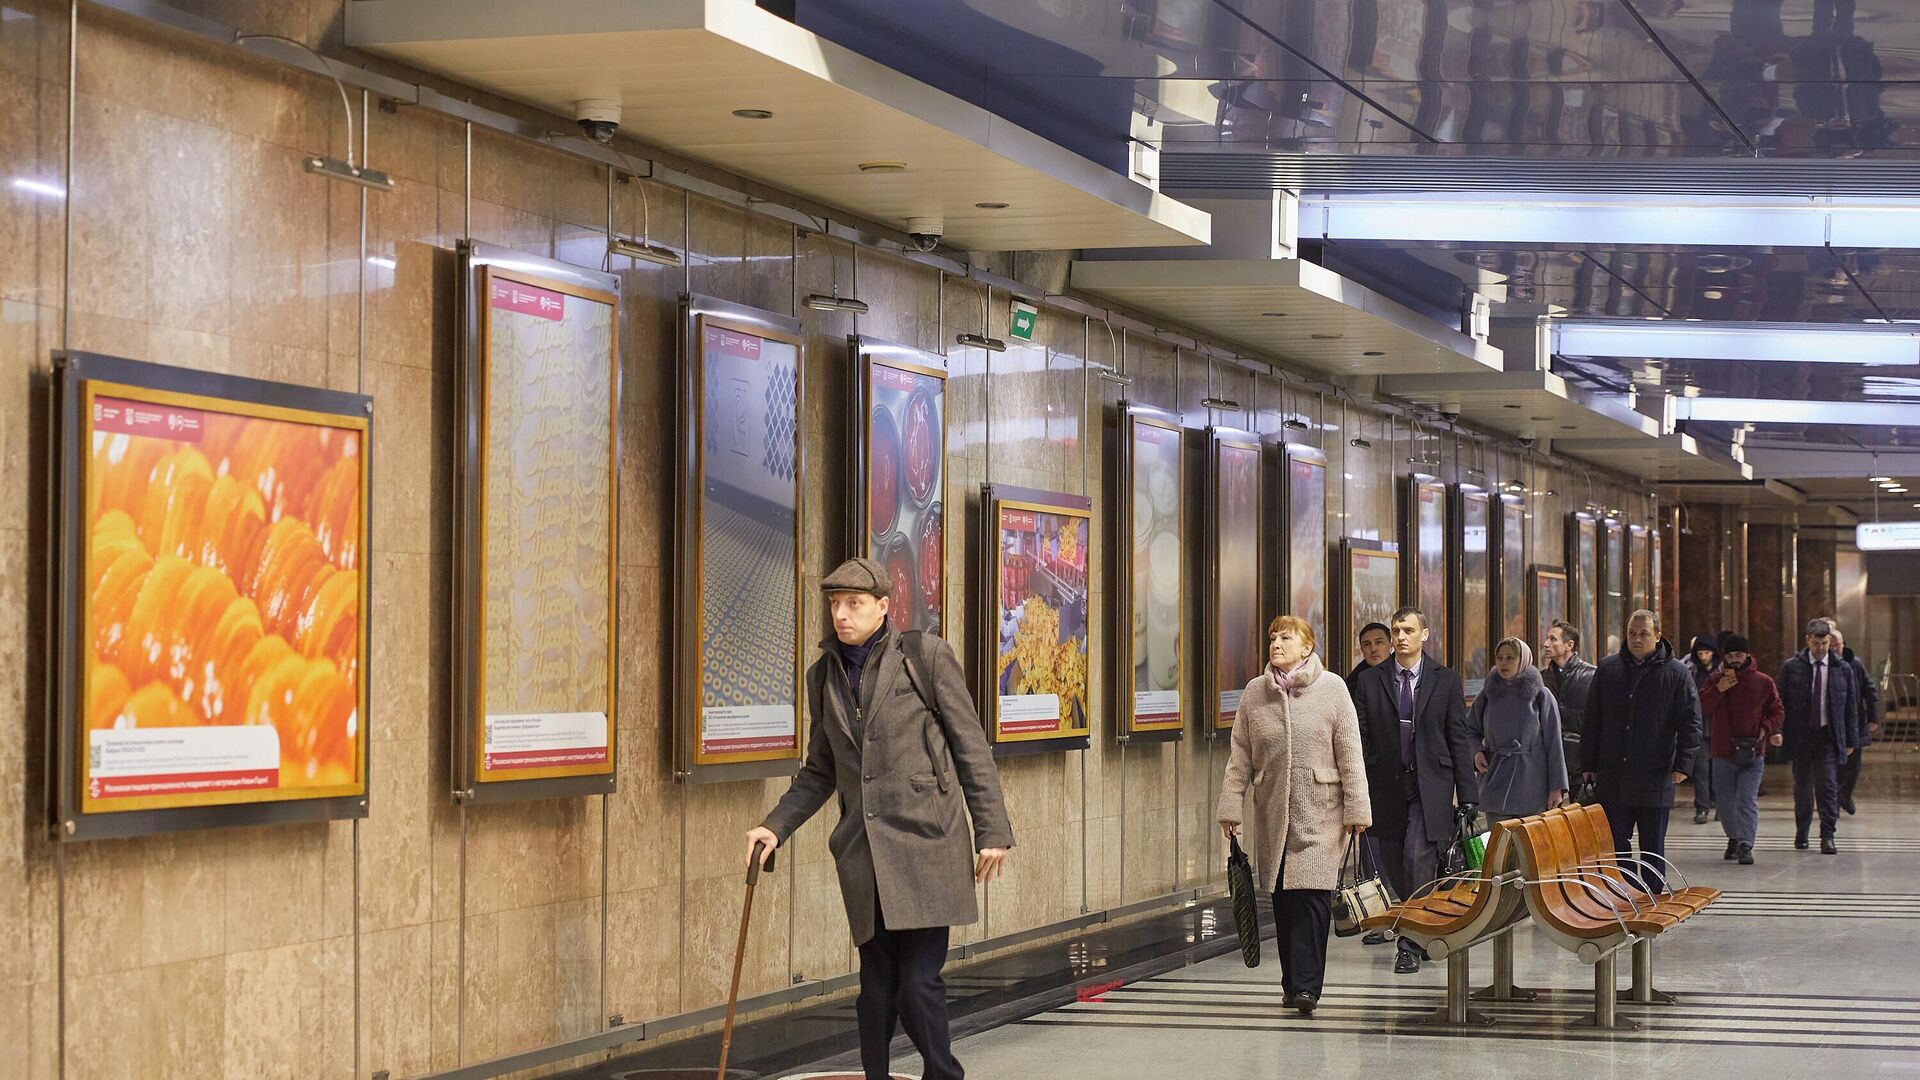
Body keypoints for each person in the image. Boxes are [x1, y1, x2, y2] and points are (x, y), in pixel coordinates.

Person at [746, 558, 1013, 1080]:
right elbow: (821, 770)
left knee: (916, 984)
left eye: (854, 604)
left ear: (884, 607)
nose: (841, 616)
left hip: (926, 843)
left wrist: (992, 831)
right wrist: (774, 826)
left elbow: (970, 746)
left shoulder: (925, 656)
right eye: (834, 605)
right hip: (864, 853)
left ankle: (943, 1074)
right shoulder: (822, 675)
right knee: (874, 993)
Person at [1217, 615, 1371, 1015]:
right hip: (1272, 811)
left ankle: (1307, 987)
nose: (1276, 643)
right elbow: (1240, 757)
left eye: (1287, 637)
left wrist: (1358, 808)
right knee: (1284, 900)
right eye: (1272, 637)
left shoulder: (1333, 688)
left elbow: (1350, 753)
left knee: (1312, 898)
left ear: (1307, 647)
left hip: (1321, 810)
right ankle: (1292, 983)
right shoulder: (1255, 693)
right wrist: (1230, 805)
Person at [1351, 606, 1479, 974]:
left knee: (1418, 857)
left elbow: (1458, 737)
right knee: (1393, 864)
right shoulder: (1371, 682)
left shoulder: (1446, 680)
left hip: (1431, 788)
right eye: (1396, 630)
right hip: (1385, 787)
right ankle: (1423, 923)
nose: (1400, 636)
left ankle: (1407, 942)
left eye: (1408, 629)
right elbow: (1359, 738)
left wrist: (1468, 794)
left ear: (1424, 634)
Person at [1579, 609, 1702, 893]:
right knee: (1615, 843)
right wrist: (1588, 762)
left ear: (1658, 636)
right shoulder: (1608, 669)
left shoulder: (1676, 673)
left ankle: (1651, 898)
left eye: (1644, 634)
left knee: (1652, 847)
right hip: (1613, 775)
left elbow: (1690, 722)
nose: (1636, 639)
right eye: (1632, 633)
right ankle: (1626, 894)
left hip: (1654, 776)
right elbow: (1593, 720)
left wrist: (1683, 764)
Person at [1696, 634, 1784, 865]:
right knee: (1725, 801)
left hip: (1753, 751)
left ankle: (1746, 843)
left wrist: (1767, 729)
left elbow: (1777, 711)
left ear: (1747, 655)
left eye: (1739, 655)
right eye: (1730, 656)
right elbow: (1699, 707)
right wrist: (1719, 689)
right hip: (1723, 750)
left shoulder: (1763, 682)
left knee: (1746, 799)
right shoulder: (1715, 680)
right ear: (1723, 657)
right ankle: (1733, 837)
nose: (1734, 660)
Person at [1777, 618, 1861, 854]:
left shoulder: (1841, 668)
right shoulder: (1791, 667)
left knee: (1828, 787)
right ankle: (1802, 832)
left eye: (1824, 643)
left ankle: (1828, 835)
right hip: (1801, 736)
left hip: (1828, 736)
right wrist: (1778, 730)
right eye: (1816, 643)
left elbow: (1851, 707)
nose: (1821, 648)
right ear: (1807, 641)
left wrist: (1851, 739)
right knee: (1802, 787)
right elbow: (1779, 702)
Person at [1469, 637, 1568, 823]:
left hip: (1531, 781)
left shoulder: (1541, 696)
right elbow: (1469, 730)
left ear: (1523, 659)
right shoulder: (1488, 694)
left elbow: (1554, 744)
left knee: (1530, 847)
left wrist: (1557, 787)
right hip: (1496, 777)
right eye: (1500, 658)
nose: (1503, 663)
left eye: (1510, 658)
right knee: (1499, 845)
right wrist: (1476, 752)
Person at [1828, 626, 1881, 815]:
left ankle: (1844, 793)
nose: (1834, 649)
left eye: (1837, 645)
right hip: (1832, 723)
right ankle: (1833, 800)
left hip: (1854, 721)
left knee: (1854, 766)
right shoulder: (1824, 665)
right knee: (1834, 765)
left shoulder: (1855, 664)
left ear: (1843, 645)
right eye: (1831, 645)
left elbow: (1869, 690)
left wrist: (1873, 717)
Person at [1541, 620, 1596, 799]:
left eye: (1553, 639)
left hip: (1580, 760)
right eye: (1547, 639)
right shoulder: (1541, 678)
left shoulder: (1591, 676)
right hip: (1550, 758)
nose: (1546, 643)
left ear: (1569, 645)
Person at [1681, 634, 1722, 824]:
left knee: (1720, 770)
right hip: (1699, 726)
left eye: (1707, 652)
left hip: (1720, 726)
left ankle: (1720, 805)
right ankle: (1702, 807)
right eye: (1701, 653)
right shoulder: (1690, 670)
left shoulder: (1723, 670)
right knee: (1702, 770)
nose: (1704, 656)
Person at [1349, 621, 1392, 688]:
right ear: (1362, 649)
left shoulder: (1403, 672)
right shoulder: (1354, 681)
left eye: (1378, 642)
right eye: (1367, 644)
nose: (1373, 649)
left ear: (1390, 645)